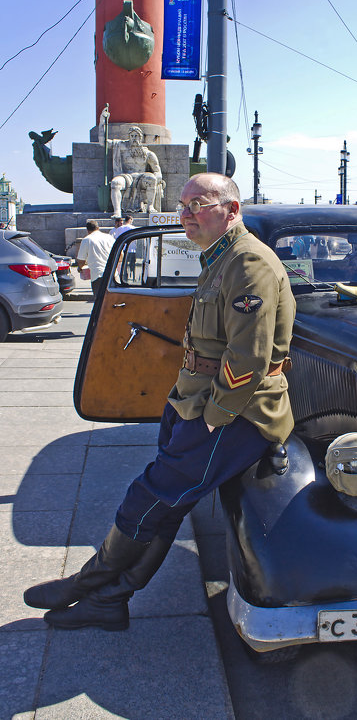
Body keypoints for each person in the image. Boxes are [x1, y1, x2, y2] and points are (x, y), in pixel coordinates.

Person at [24, 173, 296, 631]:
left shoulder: (249, 263)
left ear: (230, 211)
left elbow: (249, 356)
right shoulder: (219, 256)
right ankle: (109, 599)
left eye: (197, 205)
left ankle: (88, 584)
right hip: (195, 400)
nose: (184, 214)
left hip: (235, 413)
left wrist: (214, 418)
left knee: (146, 498)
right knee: (167, 505)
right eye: (183, 205)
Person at [98, 106, 162, 218]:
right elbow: (103, 142)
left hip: (142, 177)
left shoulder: (148, 153)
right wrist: (102, 121)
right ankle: (117, 211)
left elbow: (157, 170)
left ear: (141, 138)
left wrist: (157, 178)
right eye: (132, 136)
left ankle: (150, 207)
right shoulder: (121, 146)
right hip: (126, 176)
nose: (134, 138)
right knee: (115, 183)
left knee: (152, 178)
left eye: (136, 136)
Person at [76, 219, 115, 297]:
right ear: (98, 228)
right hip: (113, 274)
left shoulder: (87, 240)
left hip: (98, 276)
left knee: (100, 303)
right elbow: (120, 256)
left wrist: (79, 268)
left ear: (87, 230)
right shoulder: (109, 237)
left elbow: (81, 260)